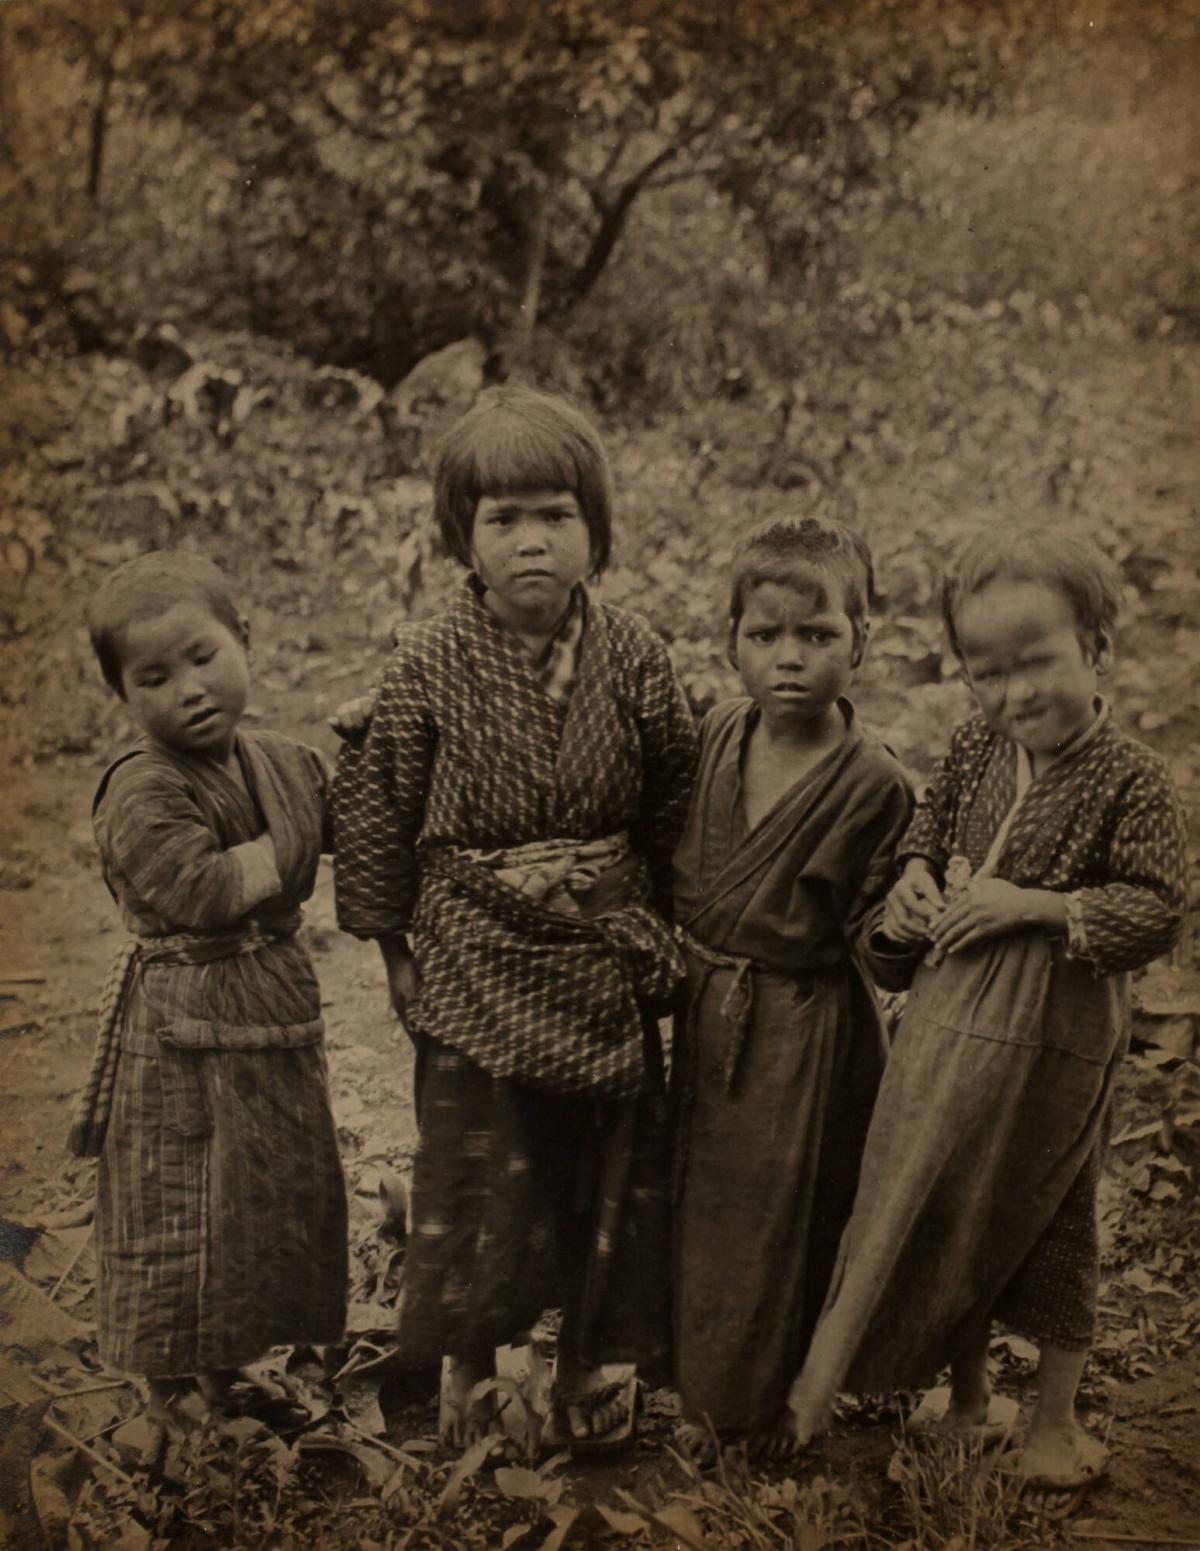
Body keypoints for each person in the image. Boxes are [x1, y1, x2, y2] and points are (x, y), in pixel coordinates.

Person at [785, 529, 1188, 1507]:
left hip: (1056, 1030)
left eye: (1039, 660)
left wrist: (1037, 908)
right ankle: (963, 1400)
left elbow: (1156, 907)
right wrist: (918, 881)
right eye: (987, 671)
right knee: (942, 1196)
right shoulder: (976, 746)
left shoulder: (1130, 779)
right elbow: (930, 826)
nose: (1016, 694)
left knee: (1048, 1213)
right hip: (951, 1017)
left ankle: (1051, 1420)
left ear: (1095, 646)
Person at [331, 385, 697, 1447]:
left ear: (597, 527)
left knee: (602, 1174)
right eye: (504, 519)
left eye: (556, 514)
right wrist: (396, 948)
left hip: (600, 953)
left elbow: (674, 794)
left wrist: (662, 924)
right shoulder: (428, 667)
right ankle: (469, 1370)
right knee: (477, 1172)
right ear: (463, 537)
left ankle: (586, 1365)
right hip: (473, 951)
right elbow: (377, 806)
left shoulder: (633, 658)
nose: (533, 542)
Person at [69, 550, 348, 1429]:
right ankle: (172, 1392)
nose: (189, 687)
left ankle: (227, 1368)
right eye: (154, 676)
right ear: (124, 696)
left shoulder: (280, 762)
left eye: (203, 656)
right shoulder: (141, 788)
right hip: (180, 1031)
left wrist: (387, 736)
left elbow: (352, 812)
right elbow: (204, 888)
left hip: (269, 1007)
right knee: (179, 1198)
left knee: (264, 1194)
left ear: (246, 642)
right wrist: (296, 846)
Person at [670, 514, 917, 1463]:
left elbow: (879, 938)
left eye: (818, 635)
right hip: (706, 1005)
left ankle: (758, 1403)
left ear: (864, 640)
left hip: (801, 1029)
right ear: (731, 638)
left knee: (775, 1211)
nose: (789, 660)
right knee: (703, 1203)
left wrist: (906, 920)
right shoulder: (718, 732)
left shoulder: (874, 784)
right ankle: (702, 1387)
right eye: (764, 634)